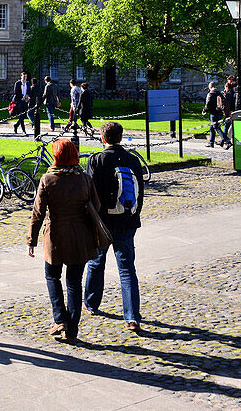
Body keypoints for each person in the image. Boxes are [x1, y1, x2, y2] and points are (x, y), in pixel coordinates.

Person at [27, 139, 104, 344]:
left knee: (52, 276)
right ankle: (72, 330)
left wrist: (31, 239)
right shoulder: (84, 179)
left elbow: (38, 213)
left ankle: (60, 319)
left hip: (56, 235)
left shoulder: (48, 179)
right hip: (80, 236)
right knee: (74, 282)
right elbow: (96, 205)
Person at [84, 121, 146, 333]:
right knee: (127, 269)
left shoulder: (97, 160)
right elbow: (140, 192)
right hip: (127, 220)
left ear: (103, 138)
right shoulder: (133, 160)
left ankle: (91, 303)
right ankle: (131, 317)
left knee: (96, 263)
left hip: (103, 221)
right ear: (121, 137)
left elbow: (90, 192)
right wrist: (133, 214)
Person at [204, 80, 230, 148]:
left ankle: (227, 141)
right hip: (220, 112)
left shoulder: (211, 93)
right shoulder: (219, 93)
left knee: (216, 127)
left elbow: (208, 103)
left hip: (213, 113)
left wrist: (204, 110)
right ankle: (211, 142)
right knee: (212, 127)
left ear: (210, 87)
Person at [11, 71, 31, 135]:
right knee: (21, 115)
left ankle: (16, 125)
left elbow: (29, 91)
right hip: (19, 101)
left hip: (25, 101)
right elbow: (16, 92)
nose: (25, 78)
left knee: (24, 115)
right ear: (21, 76)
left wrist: (28, 96)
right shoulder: (18, 83)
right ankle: (23, 131)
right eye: (24, 76)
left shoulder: (27, 83)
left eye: (26, 76)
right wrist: (23, 96)